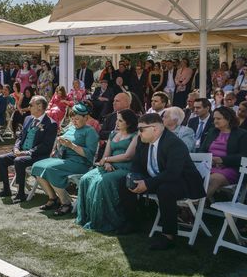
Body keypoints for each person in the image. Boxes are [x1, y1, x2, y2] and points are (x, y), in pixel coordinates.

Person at [117, 113, 205, 250]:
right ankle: (132, 221)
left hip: (183, 182)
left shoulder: (174, 143)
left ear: (155, 129)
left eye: (141, 129)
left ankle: (168, 236)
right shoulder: (143, 140)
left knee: (165, 189)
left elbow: (172, 173)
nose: (138, 133)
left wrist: (146, 183)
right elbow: (137, 164)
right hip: (158, 179)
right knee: (124, 182)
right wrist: (135, 177)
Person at [76, 109, 138, 231]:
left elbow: (128, 156)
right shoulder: (113, 134)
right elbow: (105, 155)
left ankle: (105, 220)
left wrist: (108, 159)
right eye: (117, 120)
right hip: (108, 165)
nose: (117, 122)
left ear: (129, 123)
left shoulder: (135, 136)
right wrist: (107, 162)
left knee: (103, 182)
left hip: (125, 168)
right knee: (85, 179)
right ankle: (86, 216)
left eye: (120, 120)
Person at [32, 103, 99, 216]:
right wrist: (60, 141)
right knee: (36, 166)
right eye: (72, 119)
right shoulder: (71, 127)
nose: (74, 121)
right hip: (64, 159)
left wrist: (72, 146)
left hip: (81, 163)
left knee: (50, 169)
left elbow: (90, 154)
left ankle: (66, 203)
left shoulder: (90, 131)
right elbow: (62, 138)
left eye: (77, 119)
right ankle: (53, 198)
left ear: (86, 118)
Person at [0, 97, 58, 202]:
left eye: (31, 105)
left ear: (40, 106)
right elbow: (20, 136)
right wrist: (16, 148)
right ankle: (6, 189)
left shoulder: (51, 123)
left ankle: (21, 193)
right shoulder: (28, 118)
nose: (28, 107)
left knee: (19, 161)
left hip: (38, 155)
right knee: (2, 158)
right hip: (22, 151)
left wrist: (27, 152)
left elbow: (46, 146)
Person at [199, 106, 247, 200]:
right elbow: (202, 150)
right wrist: (209, 160)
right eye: (214, 118)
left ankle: (195, 205)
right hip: (209, 165)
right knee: (190, 174)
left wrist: (222, 160)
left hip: (231, 168)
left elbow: (244, 156)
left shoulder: (242, 134)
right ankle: (189, 205)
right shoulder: (212, 132)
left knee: (213, 179)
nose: (215, 121)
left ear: (228, 119)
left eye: (218, 118)